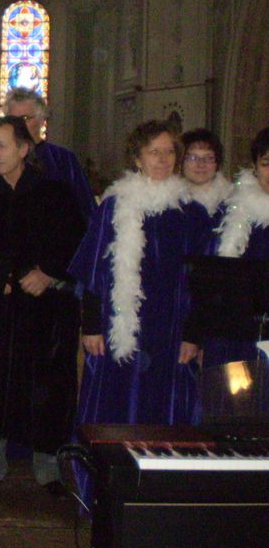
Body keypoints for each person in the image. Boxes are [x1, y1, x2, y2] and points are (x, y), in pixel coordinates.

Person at [69, 120, 207, 503]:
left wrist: (193, 334)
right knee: (115, 408)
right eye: (154, 152)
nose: (163, 159)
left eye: (169, 152)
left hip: (170, 333)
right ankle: (108, 495)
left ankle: (159, 498)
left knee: (165, 412)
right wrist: (91, 325)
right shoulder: (114, 205)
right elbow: (93, 272)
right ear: (137, 158)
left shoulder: (191, 212)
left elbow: (203, 282)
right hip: (119, 331)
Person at [0, 117, 86, 495]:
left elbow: (75, 246)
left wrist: (48, 274)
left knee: (46, 385)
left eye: (1, 145)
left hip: (44, 312)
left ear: (24, 148)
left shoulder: (56, 195)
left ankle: (48, 466)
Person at [197, 126, 269, 367]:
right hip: (236, 335)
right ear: (255, 166)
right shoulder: (230, 210)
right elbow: (209, 277)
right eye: (266, 163)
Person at [0, 89, 95, 223]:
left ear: (42, 120)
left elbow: (85, 210)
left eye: (25, 118)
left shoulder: (63, 159)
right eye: (12, 119)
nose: (18, 125)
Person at [181, 128, 231, 230]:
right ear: (181, 162)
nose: (201, 164)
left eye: (208, 158)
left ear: (217, 163)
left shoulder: (231, 202)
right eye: (193, 158)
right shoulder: (171, 203)